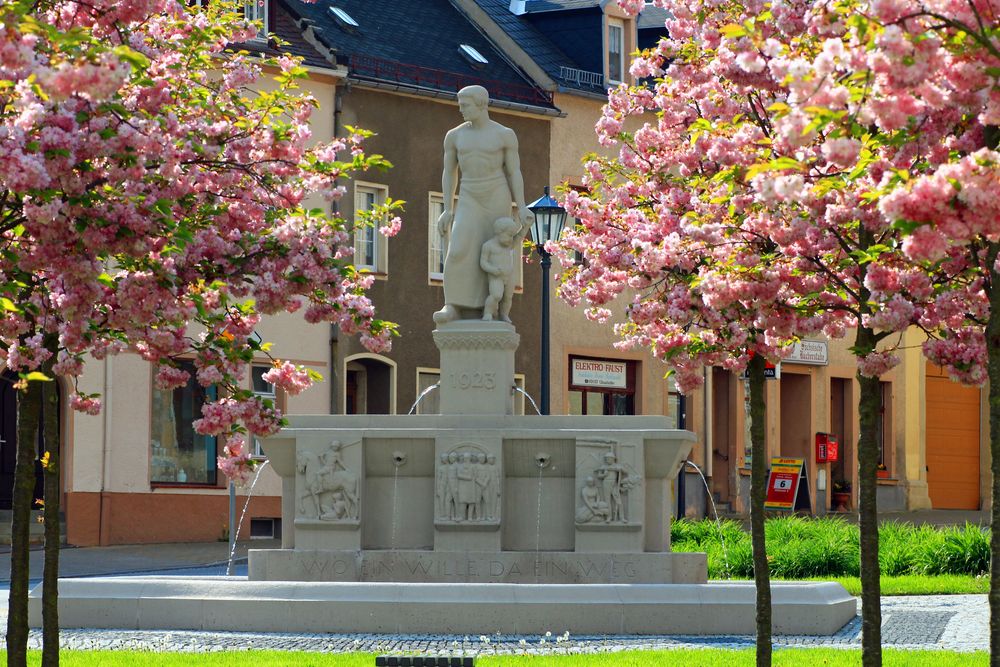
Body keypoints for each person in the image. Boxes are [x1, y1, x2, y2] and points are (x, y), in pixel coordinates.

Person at [433, 85, 534, 325]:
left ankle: (490, 308)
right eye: (459, 106)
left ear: (481, 104)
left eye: (465, 106)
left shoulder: (504, 135)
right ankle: (453, 305)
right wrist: (448, 208)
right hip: (469, 195)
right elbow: (449, 172)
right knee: (459, 247)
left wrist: (520, 206)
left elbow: (514, 172)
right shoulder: (455, 136)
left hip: (496, 195)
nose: (461, 110)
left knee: (492, 250)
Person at [480, 217, 520, 322]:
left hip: (509, 275)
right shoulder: (488, 246)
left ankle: (504, 314)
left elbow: (519, 237)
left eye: (512, 236)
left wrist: (526, 227)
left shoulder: (508, 245)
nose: (511, 239)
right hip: (496, 276)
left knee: (508, 297)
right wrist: (492, 270)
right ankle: (487, 312)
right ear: (499, 232)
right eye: (509, 235)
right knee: (496, 295)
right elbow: (483, 262)